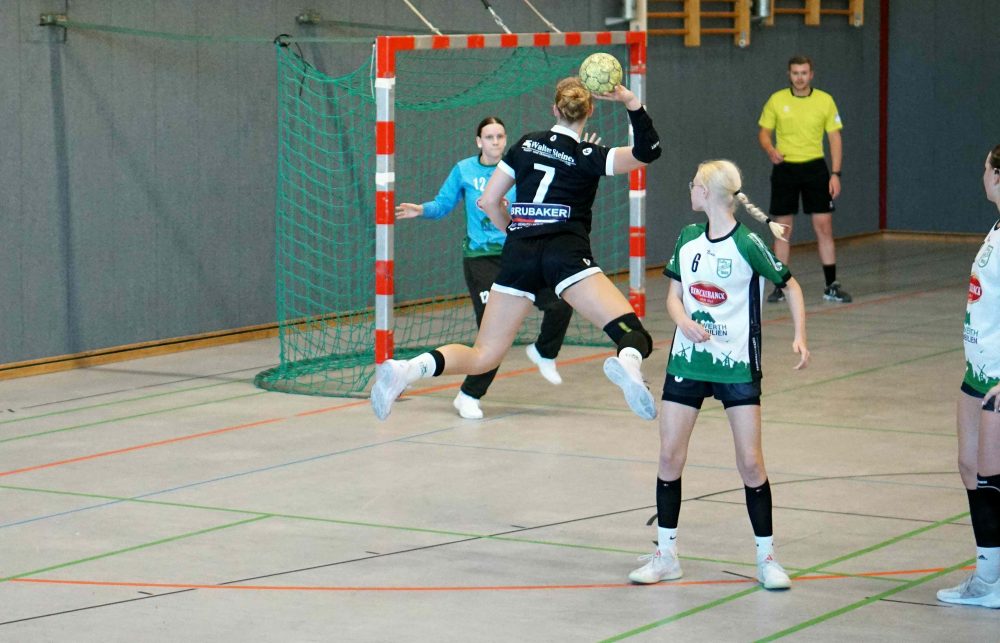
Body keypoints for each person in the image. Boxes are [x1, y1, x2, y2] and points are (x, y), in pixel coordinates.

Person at [371, 77, 663, 422]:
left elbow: (488, 201)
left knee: (483, 355)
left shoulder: (526, 144)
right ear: (590, 111)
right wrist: (630, 101)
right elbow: (648, 151)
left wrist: (514, 230)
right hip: (565, 254)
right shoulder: (590, 155)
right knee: (630, 331)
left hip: (519, 253)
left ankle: (408, 369)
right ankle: (629, 364)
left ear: (554, 109)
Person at [627, 160, 809, 590]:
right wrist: (683, 322)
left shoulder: (747, 243)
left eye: (694, 183)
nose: (689, 188)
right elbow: (673, 296)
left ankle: (767, 559)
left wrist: (800, 335)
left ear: (707, 192)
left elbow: (791, 285)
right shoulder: (688, 238)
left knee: (751, 462)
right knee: (669, 457)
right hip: (686, 363)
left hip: (736, 365)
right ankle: (666, 555)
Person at [395, 117, 574, 420]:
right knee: (493, 333)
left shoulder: (518, 168)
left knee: (560, 303)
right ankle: (468, 395)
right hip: (481, 260)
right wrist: (421, 210)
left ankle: (545, 352)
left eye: (500, 136)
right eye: (489, 137)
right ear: (479, 141)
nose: (495, 142)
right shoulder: (464, 170)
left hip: (519, 254)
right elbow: (443, 204)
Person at [936, 145, 1000, 608]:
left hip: (998, 376)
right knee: (970, 467)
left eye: (985, 169)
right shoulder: (995, 228)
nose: (982, 176)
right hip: (976, 370)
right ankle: (986, 577)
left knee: (993, 474)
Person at [758, 55, 851, 304]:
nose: (800, 77)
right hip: (785, 169)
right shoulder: (777, 100)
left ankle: (831, 285)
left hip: (815, 169)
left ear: (811, 74)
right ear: (789, 75)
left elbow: (835, 138)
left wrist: (835, 174)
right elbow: (764, 133)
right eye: (795, 73)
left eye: (804, 73)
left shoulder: (825, 100)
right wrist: (770, 149)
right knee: (782, 229)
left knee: (824, 226)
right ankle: (780, 285)